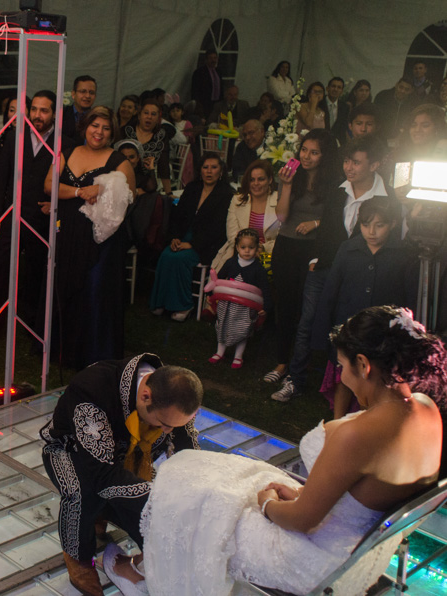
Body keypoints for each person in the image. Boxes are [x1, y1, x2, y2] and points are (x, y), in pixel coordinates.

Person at [105, 305, 444, 596]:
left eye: (342, 367)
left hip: (313, 560)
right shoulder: (427, 409)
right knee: (206, 473)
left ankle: (151, 576)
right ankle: (155, 566)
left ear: (364, 364)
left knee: (197, 495)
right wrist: (302, 495)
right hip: (361, 554)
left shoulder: (356, 435)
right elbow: (362, 494)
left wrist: (267, 504)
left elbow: (302, 522)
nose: (342, 377)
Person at [40, 355, 202, 596]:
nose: (168, 431)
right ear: (145, 396)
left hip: (126, 454)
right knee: (83, 493)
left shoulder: (175, 394)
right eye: (163, 423)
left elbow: (186, 446)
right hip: (71, 448)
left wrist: (195, 487)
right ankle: (78, 557)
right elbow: (102, 474)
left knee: (150, 513)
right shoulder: (91, 390)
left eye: (174, 425)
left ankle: (110, 521)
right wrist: (158, 498)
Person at [272, 135, 393, 402]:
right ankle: (296, 379)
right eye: (347, 161)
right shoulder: (340, 190)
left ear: (374, 165)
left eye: (356, 162)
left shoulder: (387, 198)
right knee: (307, 321)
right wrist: (316, 258)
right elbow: (328, 227)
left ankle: (357, 390)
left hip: (364, 273)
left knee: (358, 327)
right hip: (326, 266)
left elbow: (395, 239)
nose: (349, 167)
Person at [45, 106, 136, 369]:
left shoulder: (119, 161)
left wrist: (105, 189)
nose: (99, 132)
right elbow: (49, 185)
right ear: (85, 126)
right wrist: (79, 192)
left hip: (101, 242)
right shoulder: (67, 152)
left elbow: (130, 198)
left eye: (106, 128)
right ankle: (63, 350)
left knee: (95, 290)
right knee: (66, 286)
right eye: (95, 126)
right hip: (67, 232)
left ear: (112, 133)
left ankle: (95, 353)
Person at [313, 198, 417, 419]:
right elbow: (331, 291)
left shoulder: (404, 254)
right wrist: (321, 331)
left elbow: (410, 299)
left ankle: (365, 425)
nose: (372, 231)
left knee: (373, 384)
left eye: (380, 225)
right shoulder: (348, 248)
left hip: (382, 335)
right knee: (344, 378)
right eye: (366, 224)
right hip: (348, 327)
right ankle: (337, 423)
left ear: (393, 224)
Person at [264, 129, 341, 385]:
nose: (306, 156)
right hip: (287, 245)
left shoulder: (333, 184)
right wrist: (286, 185)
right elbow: (282, 216)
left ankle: (301, 364)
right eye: (304, 150)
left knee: (307, 310)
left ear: (325, 155)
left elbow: (337, 220)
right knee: (285, 305)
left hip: (313, 249)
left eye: (314, 152)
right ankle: (281, 362)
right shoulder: (291, 177)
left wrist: (315, 223)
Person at [0, 90, 67, 332]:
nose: (37, 115)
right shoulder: (15, 137)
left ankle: (33, 323)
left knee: (36, 269)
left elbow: (67, 182)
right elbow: (1, 177)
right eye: (34, 109)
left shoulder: (64, 142)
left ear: (55, 114)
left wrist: (55, 205)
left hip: (42, 219)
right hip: (11, 214)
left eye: (44, 110)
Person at [150, 153, 231, 321]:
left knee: (180, 258)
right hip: (184, 236)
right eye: (205, 167)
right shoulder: (192, 188)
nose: (209, 171)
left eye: (214, 167)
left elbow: (218, 228)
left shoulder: (227, 193)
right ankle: (161, 302)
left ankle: (184, 305)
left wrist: (192, 244)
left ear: (221, 171)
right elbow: (177, 216)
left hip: (208, 243)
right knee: (166, 255)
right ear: (200, 170)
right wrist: (174, 237)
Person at [207, 228, 271, 368]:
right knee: (223, 325)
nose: (247, 251)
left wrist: (265, 307)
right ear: (237, 247)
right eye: (243, 247)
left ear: (257, 248)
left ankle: (238, 356)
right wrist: (210, 295)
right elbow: (217, 280)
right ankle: (219, 352)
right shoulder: (230, 262)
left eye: (251, 247)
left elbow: (265, 289)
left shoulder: (259, 269)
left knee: (243, 329)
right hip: (226, 304)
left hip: (245, 308)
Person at [211, 159, 279, 271]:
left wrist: (262, 247)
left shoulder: (280, 200)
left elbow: (282, 238)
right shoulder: (237, 200)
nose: (256, 183)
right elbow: (232, 236)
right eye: (252, 180)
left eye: (261, 179)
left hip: (269, 256)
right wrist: (248, 249)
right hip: (238, 254)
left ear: (270, 180)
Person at [121, 99, 171, 194]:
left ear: (158, 118)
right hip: (123, 182)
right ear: (139, 115)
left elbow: (164, 166)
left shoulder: (161, 136)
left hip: (148, 185)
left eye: (153, 114)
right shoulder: (126, 131)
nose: (149, 117)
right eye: (146, 113)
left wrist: (169, 193)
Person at [62, 75, 96, 141]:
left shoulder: (97, 117)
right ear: (73, 94)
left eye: (91, 92)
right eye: (83, 91)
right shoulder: (61, 115)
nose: (87, 96)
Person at [191, 50, 222, 119]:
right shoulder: (199, 72)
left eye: (215, 58)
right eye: (210, 58)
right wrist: (198, 105)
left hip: (216, 103)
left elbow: (221, 88)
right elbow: (195, 90)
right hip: (204, 104)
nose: (213, 60)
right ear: (206, 60)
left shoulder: (218, 71)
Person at [322, 77, 349, 142]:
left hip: (337, 143)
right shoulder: (319, 103)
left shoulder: (345, 107)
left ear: (342, 91)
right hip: (320, 139)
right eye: (333, 86)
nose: (335, 89)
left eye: (339, 87)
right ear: (327, 88)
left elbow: (343, 128)